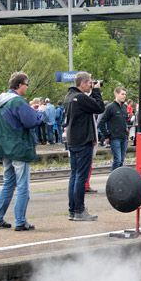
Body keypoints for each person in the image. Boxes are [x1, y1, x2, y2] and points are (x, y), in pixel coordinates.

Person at [0, 72, 46, 231]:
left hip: (6, 148)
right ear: (20, 85)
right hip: (19, 149)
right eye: (26, 84)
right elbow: (31, 122)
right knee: (22, 186)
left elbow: (18, 118)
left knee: (8, 183)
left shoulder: (3, 101)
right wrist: (41, 112)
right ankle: (20, 221)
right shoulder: (17, 101)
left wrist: (30, 110)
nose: (27, 87)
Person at [63, 72, 104, 221]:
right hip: (83, 140)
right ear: (82, 83)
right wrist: (97, 91)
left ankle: (73, 210)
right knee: (81, 176)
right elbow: (99, 107)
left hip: (72, 140)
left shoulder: (69, 97)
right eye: (89, 83)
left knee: (74, 176)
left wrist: (92, 93)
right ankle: (79, 210)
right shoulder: (80, 98)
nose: (91, 85)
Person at [99, 87, 129, 171]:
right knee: (117, 160)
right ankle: (113, 176)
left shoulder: (124, 107)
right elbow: (101, 122)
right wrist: (106, 136)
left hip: (123, 137)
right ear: (116, 94)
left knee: (121, 160)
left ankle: (118, 176)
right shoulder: (110, 107)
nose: (124, 96)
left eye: (125, 94)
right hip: (115, 137)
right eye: (122, 94)